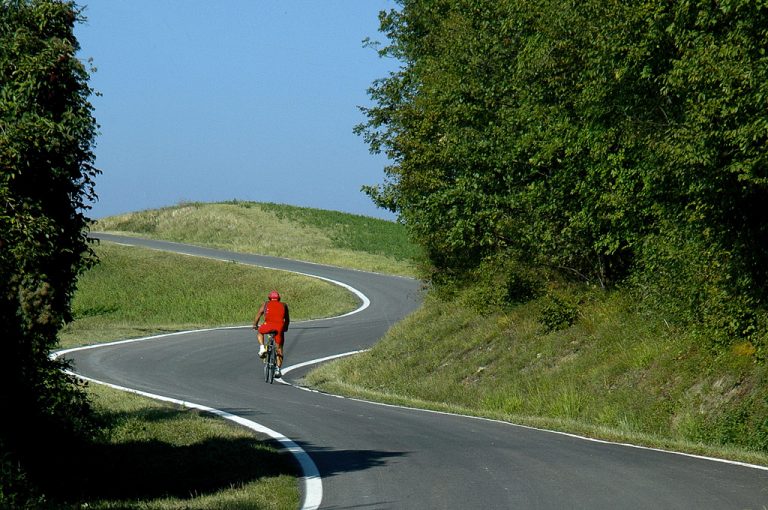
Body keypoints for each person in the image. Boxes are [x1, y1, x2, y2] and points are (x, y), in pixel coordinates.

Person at [252, 290, 290, 377]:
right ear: (279, 298)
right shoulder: (284, 305)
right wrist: (285, 328)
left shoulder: (265, 304)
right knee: (279, 349)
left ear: (269, 298)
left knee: (260, 332)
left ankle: (262, 348)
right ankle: (278, 369)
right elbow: (287, 320)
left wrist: (255, 325)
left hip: (268, 325)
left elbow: (258, 314)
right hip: (279, 327)